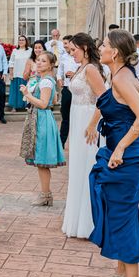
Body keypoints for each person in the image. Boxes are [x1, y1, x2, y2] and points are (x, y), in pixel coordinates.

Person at [90, 29, 139, 277]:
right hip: (123, 155)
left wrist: (120, 147)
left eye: (105, 44)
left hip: (126, 159)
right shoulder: (122, 75)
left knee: (123, 216)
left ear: (115, 52)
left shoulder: (121, 78)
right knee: (120, 213)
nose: (101, 47)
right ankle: (121, 272)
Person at [62, 33, 106, 238]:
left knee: (88, 167)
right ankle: (77, 221)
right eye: (69, 51)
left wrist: (92, 124)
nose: (71, 54)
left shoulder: (91, 69)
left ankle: (90, 223)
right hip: (78, 118)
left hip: (89, 120)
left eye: (73, 50)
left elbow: (104, 99)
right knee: (77, 168)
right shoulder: (80, 68)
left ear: (85, 48)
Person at [20, 51, 66, 206]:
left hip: (42, 119)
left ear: (51, 65)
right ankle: (45, 194)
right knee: (40, 159)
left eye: (43, 61)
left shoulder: (46, 81)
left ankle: (46, 195)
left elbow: (44, 103)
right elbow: (54, 99)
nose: (39, 63)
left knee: (42, 159)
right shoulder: (44, 80)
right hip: (41, 118)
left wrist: (27, 94)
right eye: (38, 60)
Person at [57, 34, 79, 148]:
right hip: (66, 89)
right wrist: (59, 79)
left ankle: (77, 143)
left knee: (77, 117)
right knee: (65, 117)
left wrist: (75, 74)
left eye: (66, 43)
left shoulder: (79, 57)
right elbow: (59, 70)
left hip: (78, 91)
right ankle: (61, 142)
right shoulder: (63, 57)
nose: (64, 46)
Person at [8, 35, 30, 111]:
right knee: (16, 91)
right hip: (16, 74)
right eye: (20, 40)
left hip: (26, 74)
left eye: (23, 40)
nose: (21, 41)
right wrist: (11, 73)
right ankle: (14, 106)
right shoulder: (15, 51)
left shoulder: (30, 50)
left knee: (26, 90)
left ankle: (27, 105)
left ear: (26, 41)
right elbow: (11, 62)